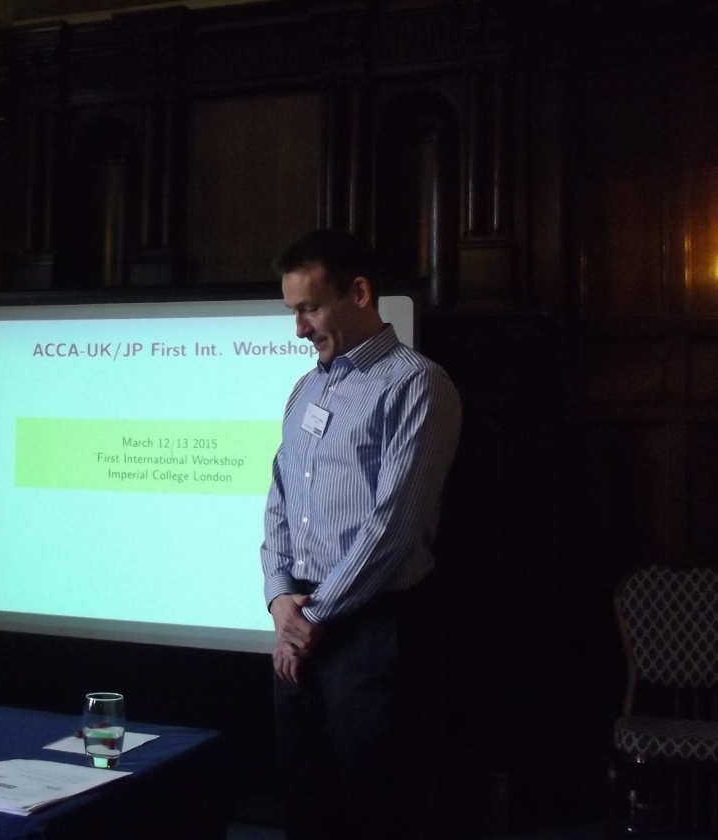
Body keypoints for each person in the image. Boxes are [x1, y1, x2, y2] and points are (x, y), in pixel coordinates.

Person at [260, 229, 461, 839]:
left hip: (375, 630)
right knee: (305, 804)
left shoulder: (416, 384)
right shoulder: (306, 388)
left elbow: (392, 525)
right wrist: (279, 598)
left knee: (377, 810)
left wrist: (311, 618)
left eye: (310, 308)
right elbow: (279, 500)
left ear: (361, 293)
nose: (299, 328)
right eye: (293, 310)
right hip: (301, 626)